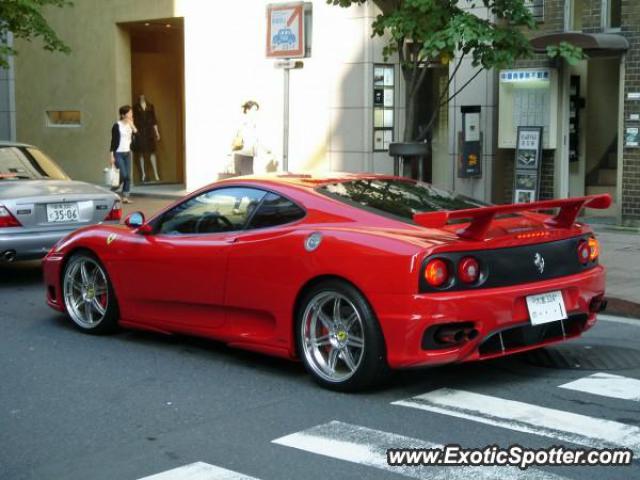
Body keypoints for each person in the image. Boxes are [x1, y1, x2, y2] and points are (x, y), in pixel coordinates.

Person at [109, 105, 137, 203]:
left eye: (131, 113)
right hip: (118, 153)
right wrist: (111, 156)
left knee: (128, 176)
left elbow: (137, 134)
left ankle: (125, 196)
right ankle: (113, 188)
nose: (131, 114)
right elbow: (113, 141)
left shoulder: (130, 125)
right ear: (123, 115)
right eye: (129, 113)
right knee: (123, 175)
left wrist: (132, 125)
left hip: (127, 153)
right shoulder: (117, 125)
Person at [132, 94, 161, 182]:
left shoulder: (150, 106)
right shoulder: (135, 107)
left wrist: (157, 132)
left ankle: (156, 174)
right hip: (139, 131)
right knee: (141, 153)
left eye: (143, 96)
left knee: (152, 152)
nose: (142, 97)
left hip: (149, 132)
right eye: (140, 96)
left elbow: (153, 119)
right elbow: (133, 120)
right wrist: (133, 132)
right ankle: (143, 174)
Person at [232, 100, 264, 175]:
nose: (255, 112)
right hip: (242, 153)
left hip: (248, 154)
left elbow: (256, 139)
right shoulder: (243, 121)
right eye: (254, 110)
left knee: (246, 177)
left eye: (256, 110)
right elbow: (234, 136)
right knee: (244, 177)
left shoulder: (253, 122)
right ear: (247, 110)